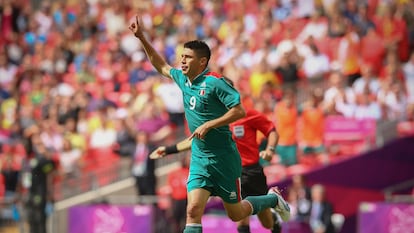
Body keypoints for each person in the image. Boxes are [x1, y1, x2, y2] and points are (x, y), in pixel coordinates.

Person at [129, 15, 290, 233]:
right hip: (200, 160)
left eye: (188, 57)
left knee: (237, 214)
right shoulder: (184, 80)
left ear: (202, 62)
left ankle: (272, 200)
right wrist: (142, 38)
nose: (182, 61)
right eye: (182, 56)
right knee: (193, 210)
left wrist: (210, 124)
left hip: (225, 160)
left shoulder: (215, 82)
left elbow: (239, 111)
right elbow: (161, 66)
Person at [152, 77, 283, 233]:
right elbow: (195, 140)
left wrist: (270, 150)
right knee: (239, 220)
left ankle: (273, 215)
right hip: (229, 171)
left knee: (265, 222)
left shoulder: (247, 114)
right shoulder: (210, 118)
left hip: (251, 171)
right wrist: (169, 150)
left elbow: (272, 131)